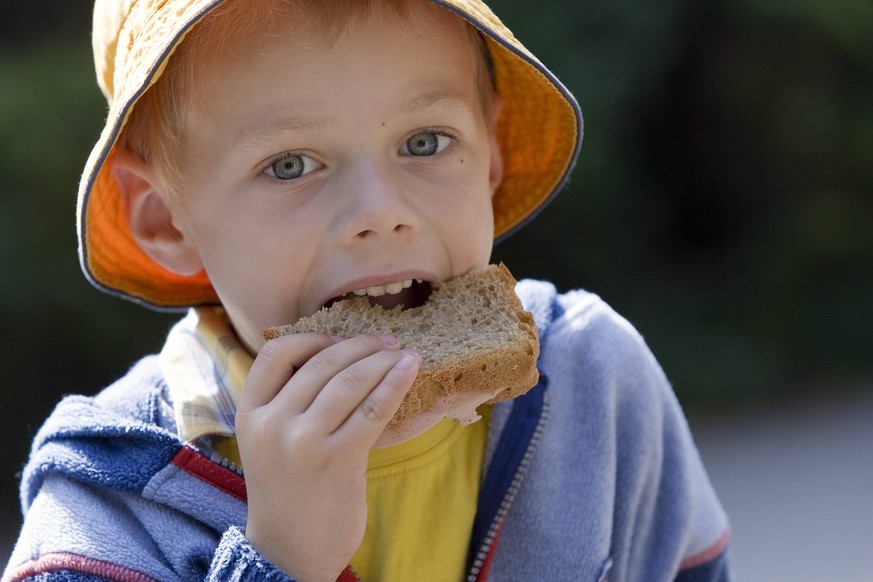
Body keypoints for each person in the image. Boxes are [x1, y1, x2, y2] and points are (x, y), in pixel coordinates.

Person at [3, 0, 731, 580]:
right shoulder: (107, 507)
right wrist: (283, 562)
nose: (379, 212)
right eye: (290, 164)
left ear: (490, 160)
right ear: (166, 217)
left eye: (425, 142)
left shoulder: (596, 388)